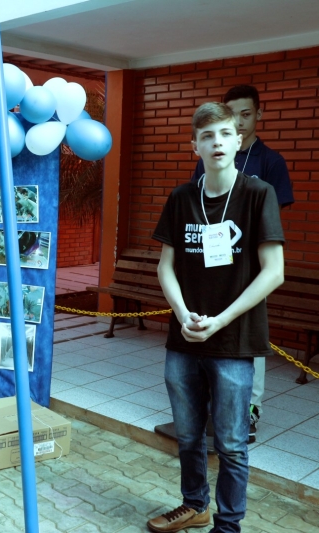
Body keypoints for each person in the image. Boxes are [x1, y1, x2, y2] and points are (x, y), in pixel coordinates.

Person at [148, 102, 284, 533]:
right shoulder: (182, 197)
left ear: (238, 141)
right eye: (207, 136)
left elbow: (275, 272)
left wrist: (221, 319)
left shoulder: (258, 194)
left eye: (225, 134)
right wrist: (184, 313)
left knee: (231, 444)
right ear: (195, 146)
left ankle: (228, 525)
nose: (217, 142)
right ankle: (195, 506)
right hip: (184, 337)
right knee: (188, 437)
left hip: (234, 341)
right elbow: (165, 266)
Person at [192, 85, 294, 442]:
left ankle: (250, 408)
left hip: (249, 267)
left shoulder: (270, 161)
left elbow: (271, 218)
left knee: (248, 336)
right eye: (232, 114)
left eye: (245, 114)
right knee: (209, 327)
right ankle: (212, 402)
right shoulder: (210, 154)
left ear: (258, 115)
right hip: (210, 263)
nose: (238, 121)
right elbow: (199, 205)